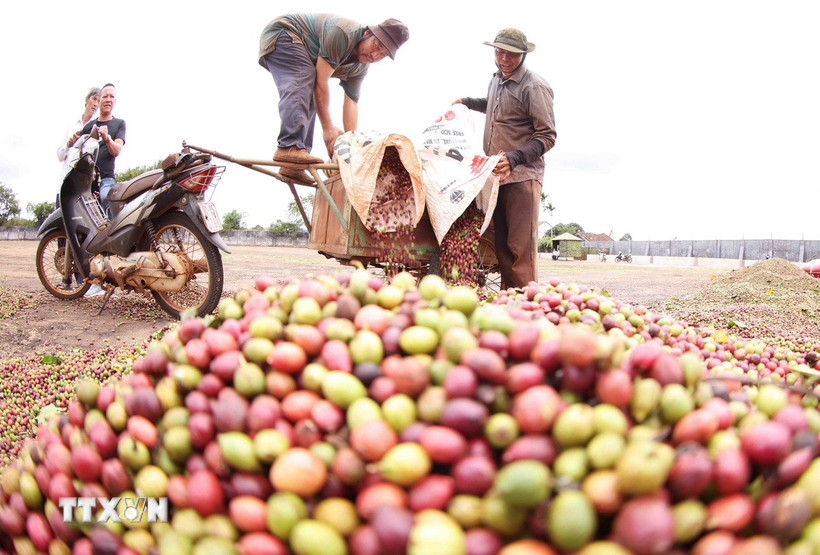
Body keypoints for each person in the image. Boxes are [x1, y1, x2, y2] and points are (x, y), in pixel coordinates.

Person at [454, 28, 556, 289]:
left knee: (519, 249)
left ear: (523, 55)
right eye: (499, 52)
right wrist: (467, 102)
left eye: (511, 54)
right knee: (502, 248)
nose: (504, 58)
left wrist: (514, 158)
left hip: (522, 177)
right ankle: (507, 304)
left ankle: (527, 307)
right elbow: (494, 103)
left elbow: (547, 135)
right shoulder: (497, 80)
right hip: (496, 176)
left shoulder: (534, 86)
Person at [259, 14, 409, 185]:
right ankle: (288, 147)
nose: (375, 55)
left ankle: (292, 167)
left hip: (304, 54)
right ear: (367, 33)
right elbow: (320, 83)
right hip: (284, 34)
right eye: (377, 46)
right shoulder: (343, 34)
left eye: (382, 55)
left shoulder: (360, 68)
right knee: (305, 80)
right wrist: (328, 127)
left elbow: (351, 102)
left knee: (311, 92)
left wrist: (350, 146)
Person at [56, 87, 102, 295]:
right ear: (86, 100)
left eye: (99, 100)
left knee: (82, 234)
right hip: (65, 185)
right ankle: (65, 278)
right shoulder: (71, 125)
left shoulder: (96, 128)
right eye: (94, 98)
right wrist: (68, 144)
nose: (96, 103)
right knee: (62, 233)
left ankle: (81, 279)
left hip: (83, 189)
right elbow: (59, 155)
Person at [72, 83, 126, 218]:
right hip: (87, 180)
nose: (108, 99)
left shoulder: (119, 124)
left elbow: (117, 150)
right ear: (99, 99)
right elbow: (78, 151)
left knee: (105, 198)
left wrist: (107, 139)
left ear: (115, 101)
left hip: (106, 179)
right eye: (105, 96)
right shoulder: (89, 126)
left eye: (111, 97)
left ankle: (111, 236)